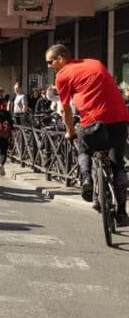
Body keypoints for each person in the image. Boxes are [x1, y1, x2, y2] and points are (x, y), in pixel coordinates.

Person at [48, 44, 129, 226]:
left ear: (61, 59)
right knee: (118, 166)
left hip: (93, 122)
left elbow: (66, 109)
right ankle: (122, 212)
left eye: (50, 61)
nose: (49, 65)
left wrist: (70, 131)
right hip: (120, 118)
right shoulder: (95, 63)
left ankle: (86, 179)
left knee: (83, 148)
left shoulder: (62, 75)